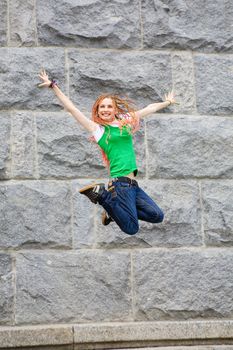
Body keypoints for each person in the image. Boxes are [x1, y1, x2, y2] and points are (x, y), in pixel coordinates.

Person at [38, 69, 177, 235]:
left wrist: (167, 103)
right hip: (120, 184)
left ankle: (113, 211)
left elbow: (149, 108)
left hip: (133, 186)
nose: (105, 109)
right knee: (132, 228)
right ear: (97, 111)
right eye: (102, 107)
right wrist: (53, 86)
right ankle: (102, 195)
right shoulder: (98, 130)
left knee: (157, 216)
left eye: (109, 106)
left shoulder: (125, 121)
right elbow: (72, 109)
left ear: (115, 110)